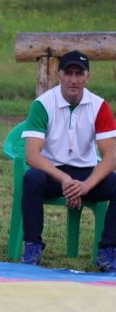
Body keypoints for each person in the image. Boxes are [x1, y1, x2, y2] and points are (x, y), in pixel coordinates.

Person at [20, 50, 116, 270]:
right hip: (52, 172)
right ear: (59, 75)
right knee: (31, 178)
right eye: (69, 73)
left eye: (79, 73)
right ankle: (32, 245)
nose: (74, 79)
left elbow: (110, 158)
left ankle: (108, 250)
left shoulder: (99, 106)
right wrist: (64, 179)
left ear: (87, 77)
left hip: (86, 173)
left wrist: (85, 186)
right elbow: (32, 155)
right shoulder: (42, 104)